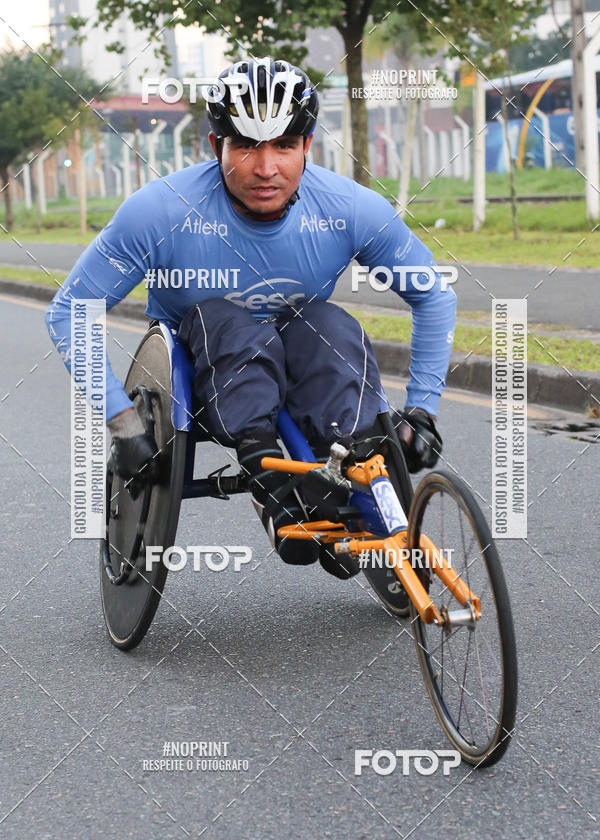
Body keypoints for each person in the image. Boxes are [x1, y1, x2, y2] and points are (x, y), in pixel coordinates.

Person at [45, 57, 456, 579]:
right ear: (215, 145)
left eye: (284, 145)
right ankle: (269, 478)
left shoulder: (349, 208)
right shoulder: (161, 212)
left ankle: (350, 482)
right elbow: (70, 311)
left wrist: (421, 410)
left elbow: (434, 296)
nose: (265, 169)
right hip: (203, 364)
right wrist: (122, 422)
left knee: (331, 325)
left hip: (300, 350)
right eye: (245, 147)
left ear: (307, 145)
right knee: (227, 319)